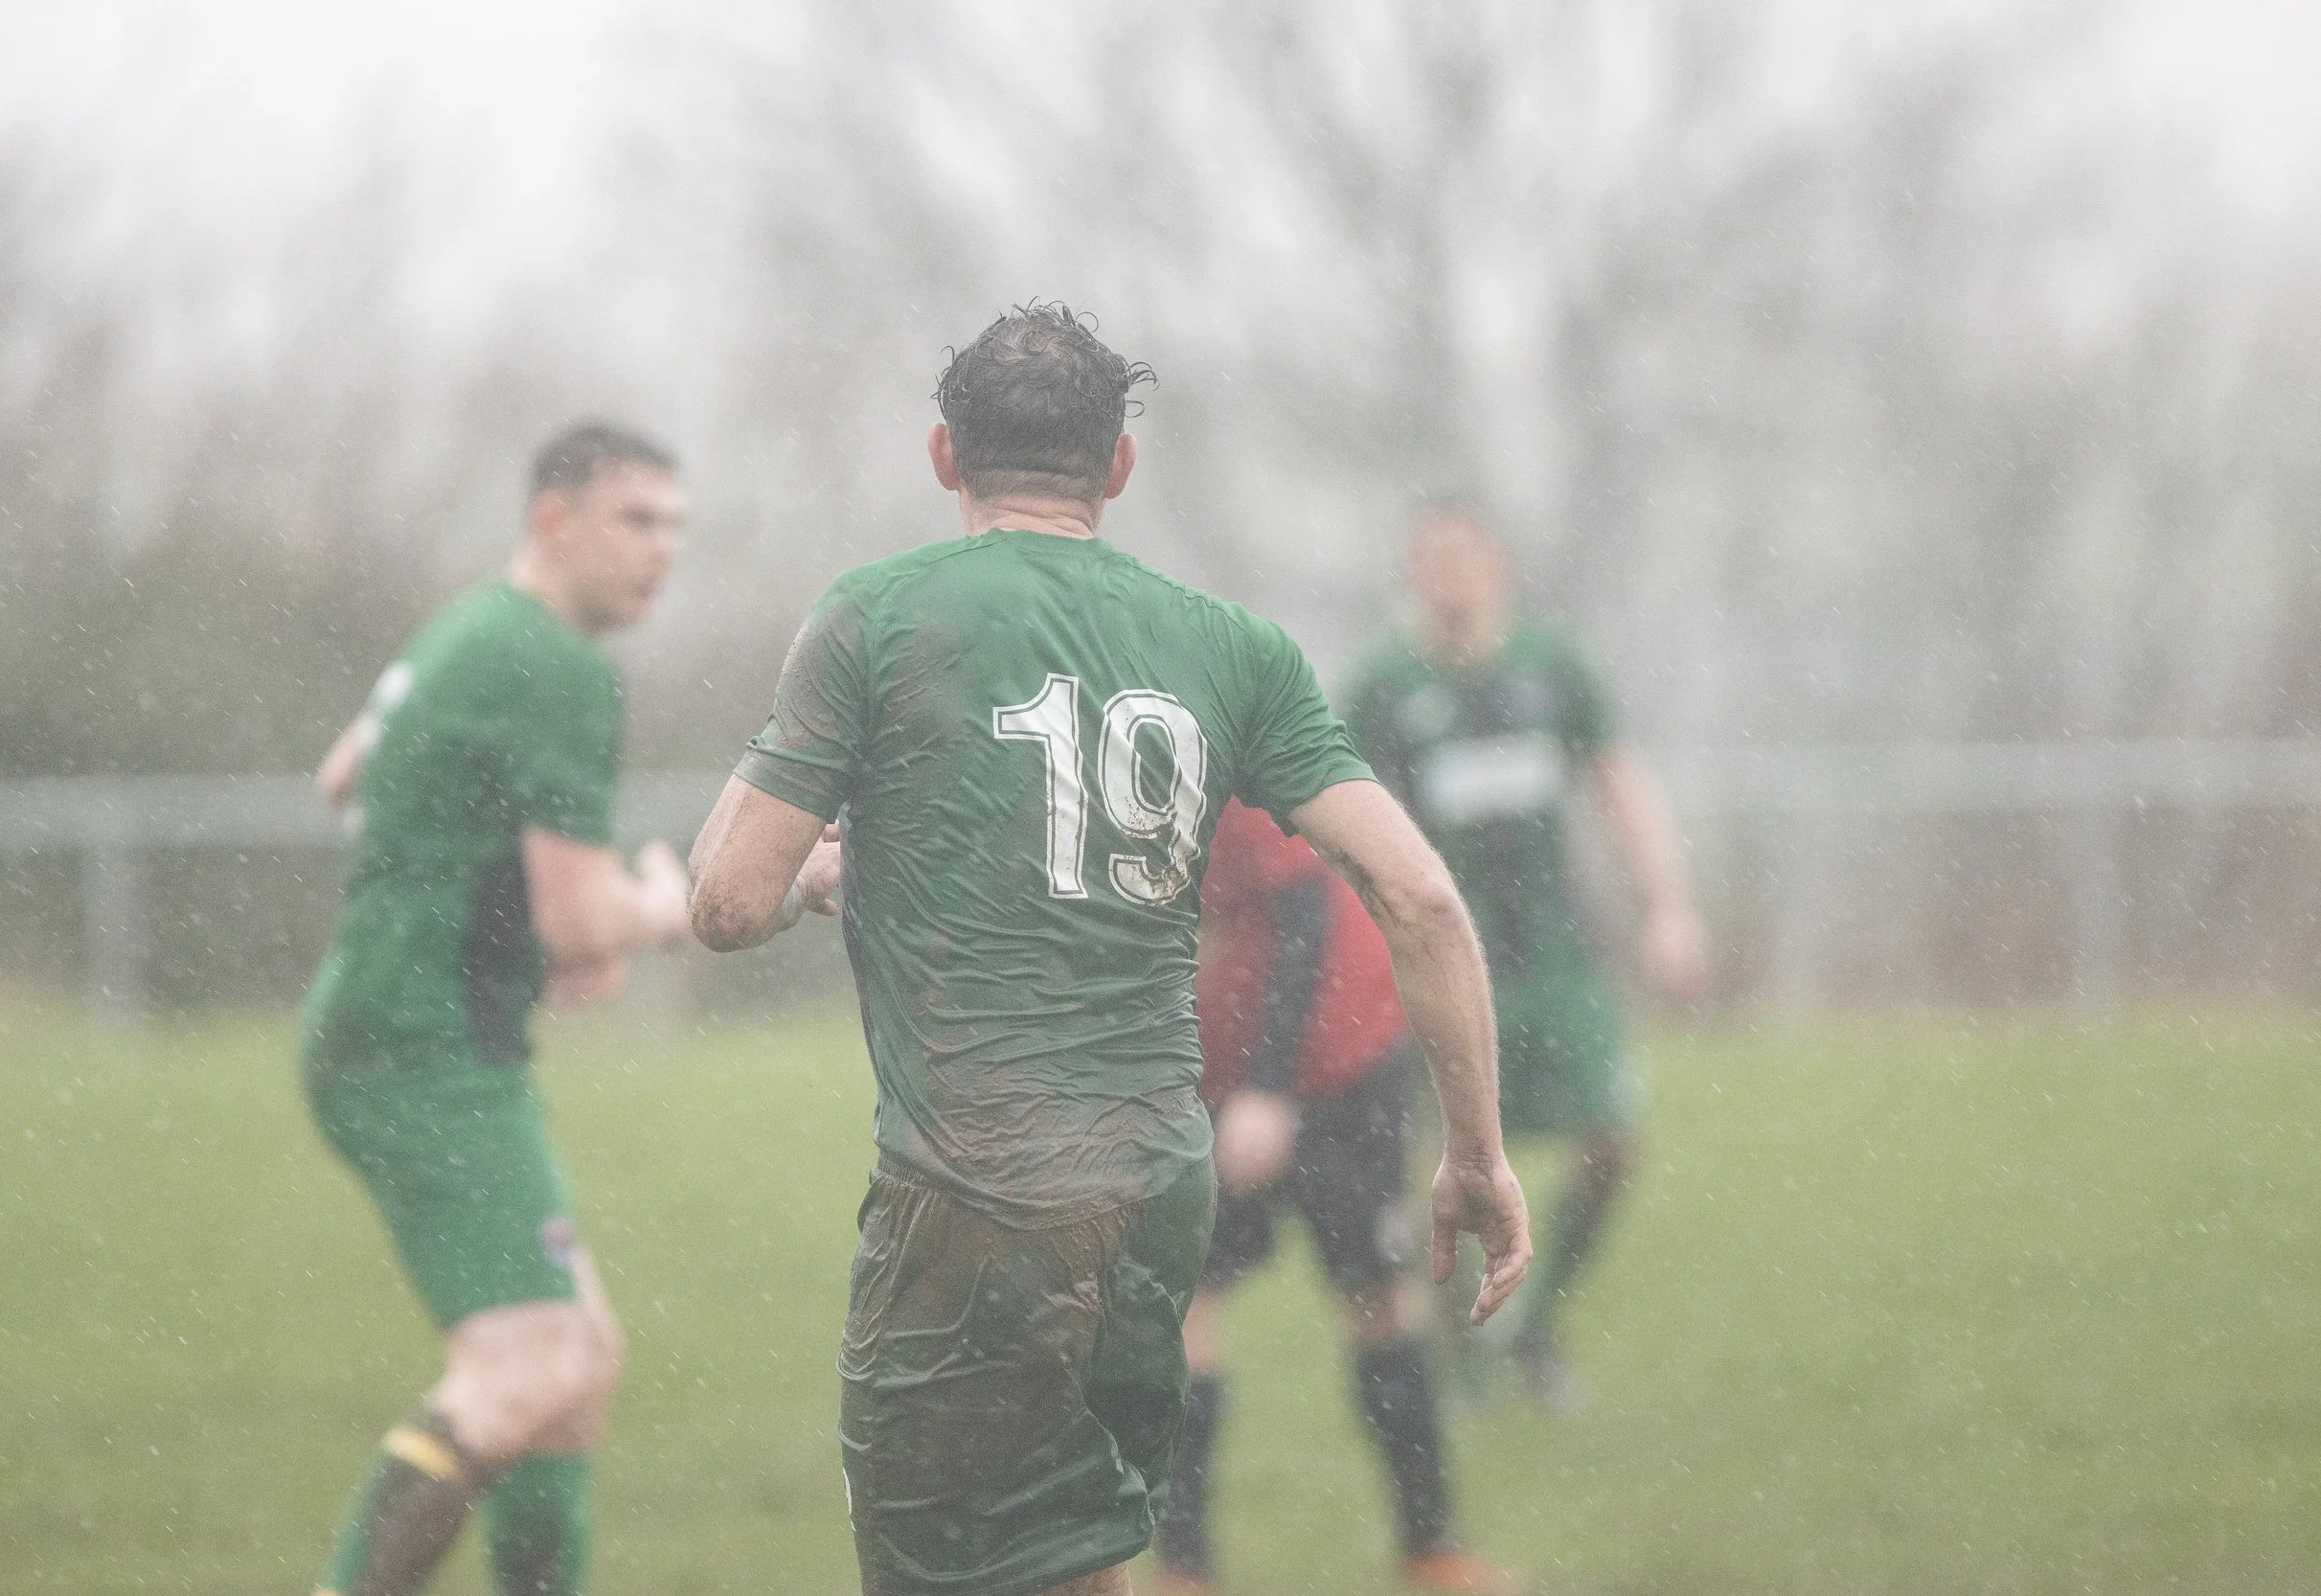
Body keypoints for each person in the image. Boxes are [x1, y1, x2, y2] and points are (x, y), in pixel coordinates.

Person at [686, 304, 1532, 1596]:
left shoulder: (875, 613)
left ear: (942, 456)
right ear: (1118, 468)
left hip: (969, 1193)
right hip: (1153, 1187)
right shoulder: (1236, 645)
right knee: (1079, 1551)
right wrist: (1474, 1153)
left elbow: (725, 905)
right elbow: (1419, 894)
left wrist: (799, 868)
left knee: (938, 1569)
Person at [298, 421, 694, 1596]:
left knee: (576, 1370)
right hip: (422, 1052)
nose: (662, 552)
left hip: (395, 1028)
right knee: (524, 1375)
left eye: (676, 527)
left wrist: (513, 911)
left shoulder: (471, 627)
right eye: (636, 521)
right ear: (552, 521)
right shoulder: (559, 664)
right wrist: (662, 903)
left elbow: (343, 773)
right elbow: (586, 923)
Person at [1342, 502, 1711, 1407]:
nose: (1452, 576)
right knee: (1449, 1158)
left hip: (1557, 956)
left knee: (1611, 1142)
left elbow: (1617, 780)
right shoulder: (1386, 684)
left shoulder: (1553, 667)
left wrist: (1667, 904)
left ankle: (1536, 1325)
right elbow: (1342, 813)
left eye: (1467, 559)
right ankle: (1467, 1355)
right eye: (1434, 561)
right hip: (1439, 963)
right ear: (1412, 575)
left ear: (1500, 568)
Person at [1155, 799, 1514, 1595]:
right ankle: (1183, 1569)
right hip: (1211, 1075)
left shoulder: (1225, 754)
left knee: (1376, 1297)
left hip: (1341, 1063)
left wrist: (1269, 1088)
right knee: (1184, 1303)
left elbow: (1306, 909)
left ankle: (1432, 1548)